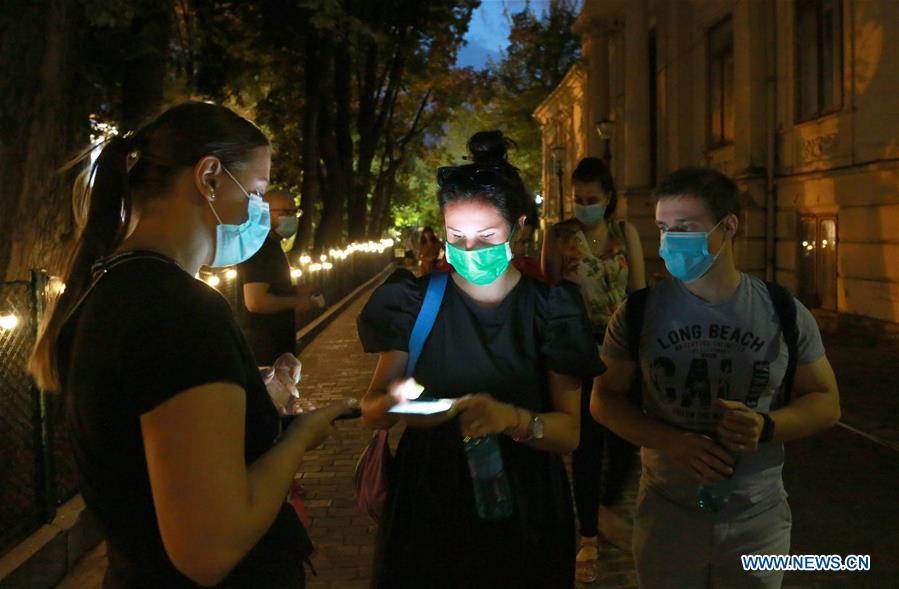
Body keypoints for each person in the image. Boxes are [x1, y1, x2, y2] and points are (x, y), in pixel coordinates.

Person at [28, 102, 355, 588]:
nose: (261, 214)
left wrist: (254, 401)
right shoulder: (176, 309)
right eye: (258, 192)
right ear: (209, 177)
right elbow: (210, 547)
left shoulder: (111, 288)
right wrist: (302, 434)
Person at [357, 163, 604, 588]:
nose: (470, 249)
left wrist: (511, 419)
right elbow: (373, 409)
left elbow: (569, 433)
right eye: (456, 236)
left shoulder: (552, 310)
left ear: (518, 227)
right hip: (429, 504)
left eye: (486, 236)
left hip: (525, 506)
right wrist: (391, 402)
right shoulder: (414, 301)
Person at [592, 167, 841, 588]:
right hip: (669, 515)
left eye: (685, 228)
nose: (670, 241)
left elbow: (826, 401)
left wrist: (766, 426)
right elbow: (604, 399)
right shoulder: (638, 314)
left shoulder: (781, 310)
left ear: (728, 228)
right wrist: (672, 441)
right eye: (663, 228)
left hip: (756, 521)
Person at [540, 156, 645, 583]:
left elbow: (639, 291)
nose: (584, 206)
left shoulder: (625, 233)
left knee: (625, 442)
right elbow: (548, 292)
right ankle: (587, 534)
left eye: (591, 199)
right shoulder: (560, 235)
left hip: (621, 353)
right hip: (578, 352)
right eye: (578, 199)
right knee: (586, 445)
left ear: (608, 198)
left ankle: (602, 506)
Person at [236, 188, 323, 366]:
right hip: (264, 353)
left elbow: (269, 289)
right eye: (285, 212)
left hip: (275, 351)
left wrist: (295, 290)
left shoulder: (271, 246)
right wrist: (297, 301)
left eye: (294, 212)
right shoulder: (260, 248)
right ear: (265, 213)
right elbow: (255, 301)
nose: (292, 217)